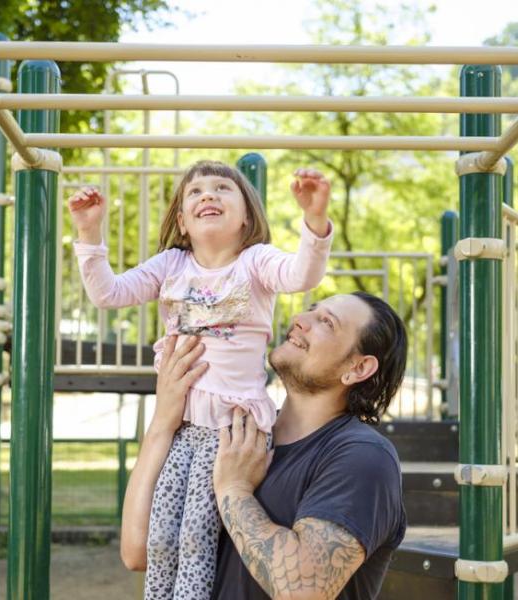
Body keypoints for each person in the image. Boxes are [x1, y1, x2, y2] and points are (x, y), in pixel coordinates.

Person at [68, 160, 334, 599]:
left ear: (247, 215)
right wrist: (89, 234)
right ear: (182, 221)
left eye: (222, 189)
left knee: (196, 537)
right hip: (182, 430)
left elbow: (301, 274)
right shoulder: (171, 265)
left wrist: (315, 220)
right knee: (159, 539)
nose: (207, 195)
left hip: (230, 432)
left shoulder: (255, 262)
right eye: (195, 192)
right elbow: (108, 293)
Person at [121, 292, 407, 600]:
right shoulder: (237, 433)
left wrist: (234, 491)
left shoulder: (362, 457)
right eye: (311, 310)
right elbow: (138, 552)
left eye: (326, 322)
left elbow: (303, 590)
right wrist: (163, 422)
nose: (300, 319)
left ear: (358, 368)